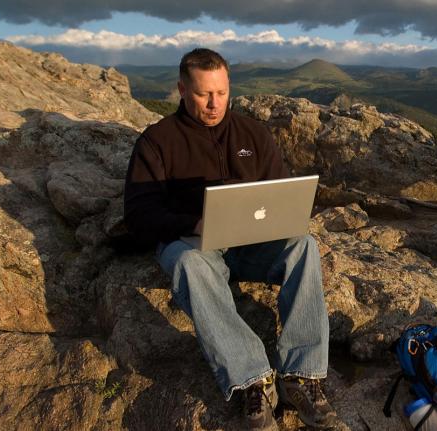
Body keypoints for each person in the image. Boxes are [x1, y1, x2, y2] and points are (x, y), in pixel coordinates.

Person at [123, 48, 338, 431]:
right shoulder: (157, 141)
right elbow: (139, 216)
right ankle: (253, 380)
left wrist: (280, 218)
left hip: (251, 243)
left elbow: (277, 193)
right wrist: (196, 222)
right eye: (204, 93)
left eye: (221, 93)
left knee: (303, 246)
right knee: (190, 265)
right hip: (195, 245)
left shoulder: (252, 133)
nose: (213, 103)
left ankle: (301, 375)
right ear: (181, 89)